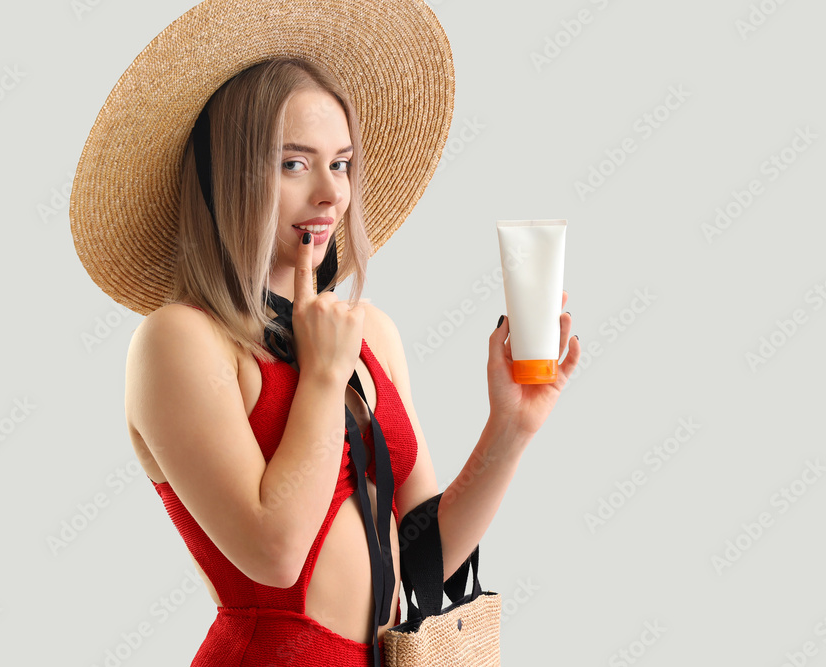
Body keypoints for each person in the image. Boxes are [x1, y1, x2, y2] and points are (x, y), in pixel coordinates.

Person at [69, 2, 580, 665]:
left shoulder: (369, 333)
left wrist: (509, 431)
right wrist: (322, 376)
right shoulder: (180, 340)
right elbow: (274, 552)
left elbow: (425, 557)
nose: (330, 194)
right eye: (294, 164)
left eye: (340, 164)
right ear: (231, 175)